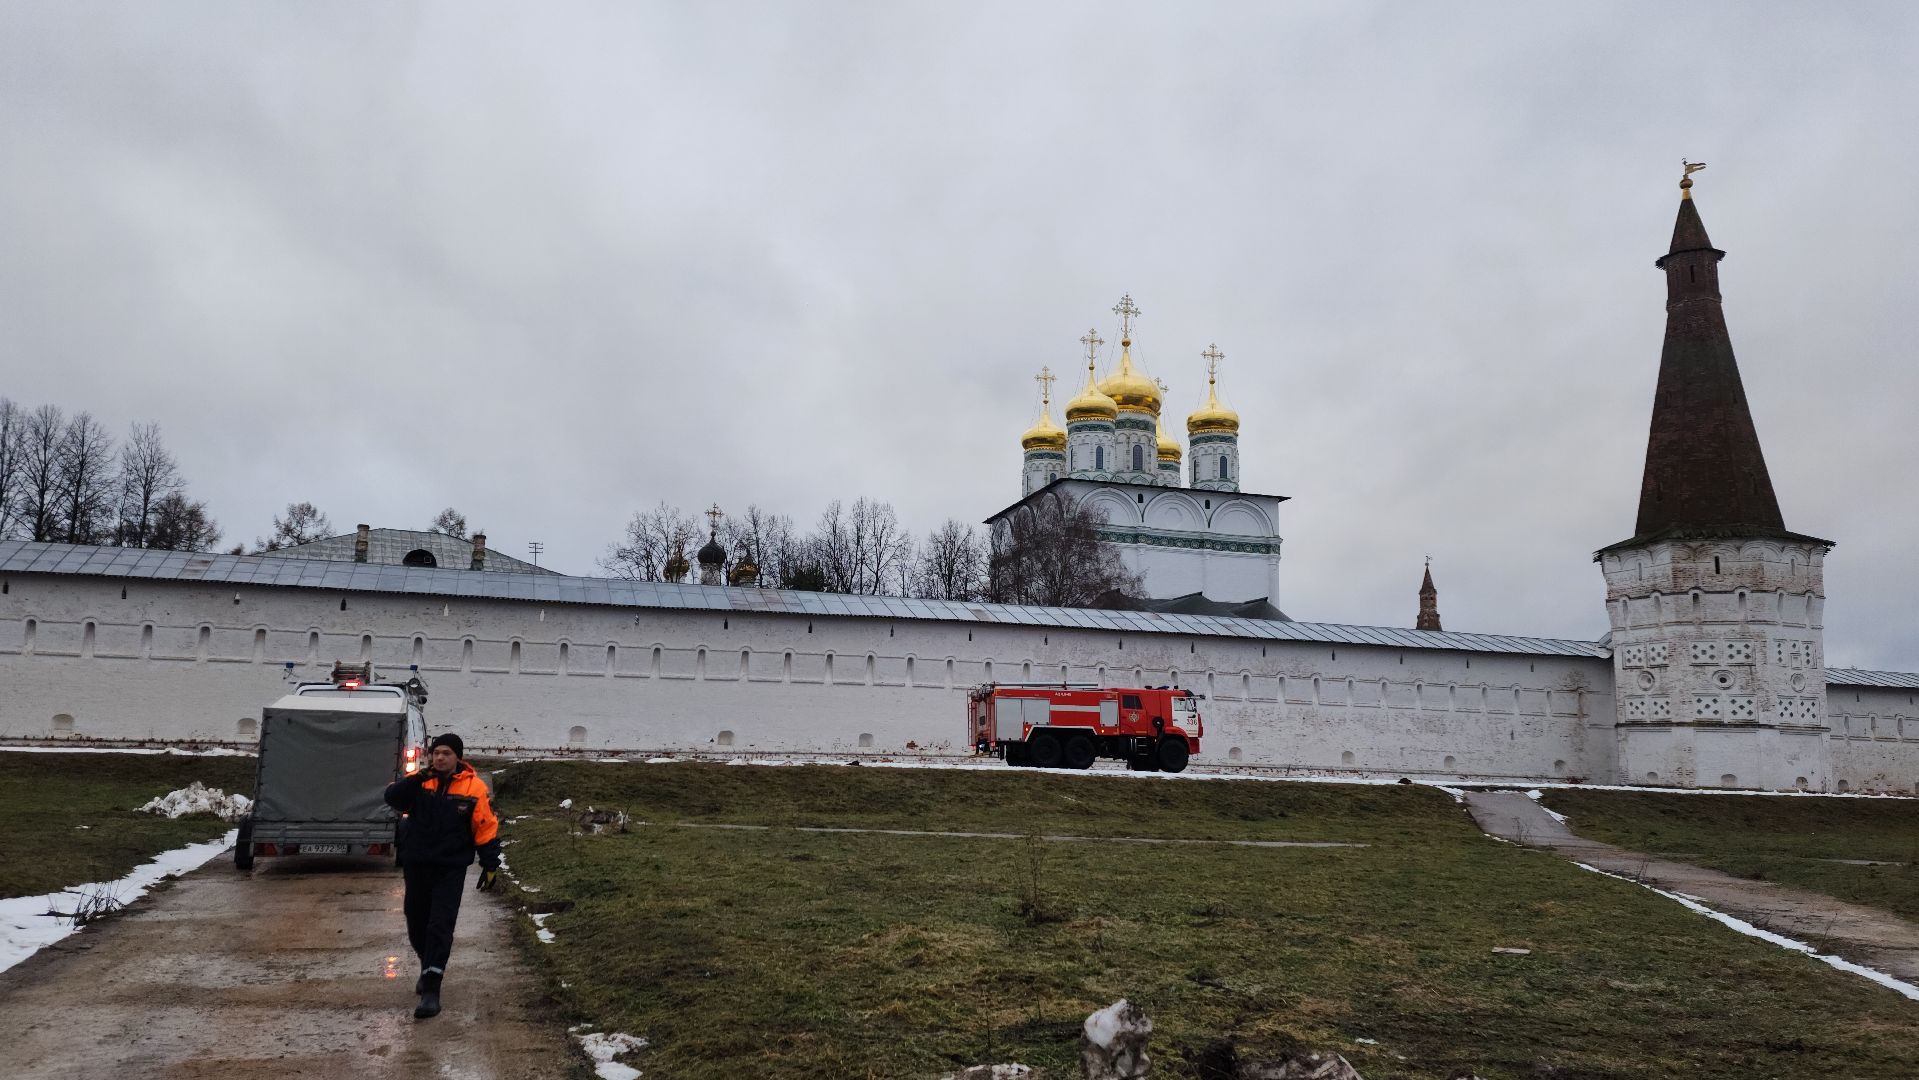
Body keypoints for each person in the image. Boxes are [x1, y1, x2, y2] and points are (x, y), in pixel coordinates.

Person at [384, 732, 501, 1019]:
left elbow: (485, 827)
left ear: (457, 757)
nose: (440, 758)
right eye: (436, 753)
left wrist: (490, 865)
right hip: (417, 863)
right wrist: (419, 776)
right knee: (416, 922)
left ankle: (432, 990)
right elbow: (392, 797)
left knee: (440, 925)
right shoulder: (421, 783)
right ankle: (428, 964)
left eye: (446, 753)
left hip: (450, 867)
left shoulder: (474, 788)